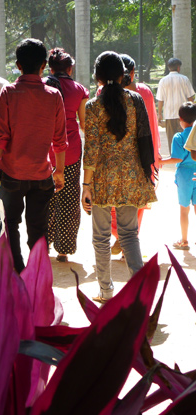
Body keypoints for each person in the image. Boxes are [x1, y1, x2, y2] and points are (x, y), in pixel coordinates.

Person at [82, 51, 157, 303]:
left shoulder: (92, 106)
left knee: (101, 238)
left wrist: (86, 185)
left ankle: (106, 290)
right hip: (132, 175)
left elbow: (91, 150)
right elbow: (143, 139)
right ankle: (139, 291)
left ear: (98, 77)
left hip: (103, 178)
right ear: (123, 75)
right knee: (129, 235)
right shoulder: (136, 100)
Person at [0, 38, 67, 273]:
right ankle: (37, 274)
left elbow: (0, 136)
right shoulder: (53, 95)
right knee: (38, 229)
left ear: (18, 65)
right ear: (44, 65)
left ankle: (19, 271)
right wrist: (60, 171)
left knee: (10, 223)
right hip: (42, 176)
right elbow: (60, 140)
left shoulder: (9, 93)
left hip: (12, 173)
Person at [110, 54, 162, 256]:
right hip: (140, 156)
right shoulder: (145, 93)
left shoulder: (104, 92)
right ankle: (128, 240)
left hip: (115, 157)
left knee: (114, 199)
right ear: (132, 73)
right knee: (137, 201)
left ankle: (119, 236)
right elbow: (151, 128)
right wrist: (154, 159)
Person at [44, 48, 89, 263]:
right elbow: (83, 123)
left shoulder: (41, 86)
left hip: (43, 151)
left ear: (49, 68)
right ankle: (64, 249)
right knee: (69, 197)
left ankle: (42, 245)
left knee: (44, 198)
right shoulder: (79, 89)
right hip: (70, 150)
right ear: (70, 68)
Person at [161, 102, 196, 250]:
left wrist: (160, 161)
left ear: (180, 119)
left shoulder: (178, 137)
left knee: (184, 209)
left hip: (184, 175)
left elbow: (177, 158)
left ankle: (184, 240)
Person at [157, 58, 195, 153]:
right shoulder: (184, 79)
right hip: (184, 115)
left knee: (172, 140)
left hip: (169, 115)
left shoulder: (163, 81)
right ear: (178, 67)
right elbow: (190, 97)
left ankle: (174, 158)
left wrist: (159, 114)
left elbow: (160, 99)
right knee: (186, 139)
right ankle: (185, 159)